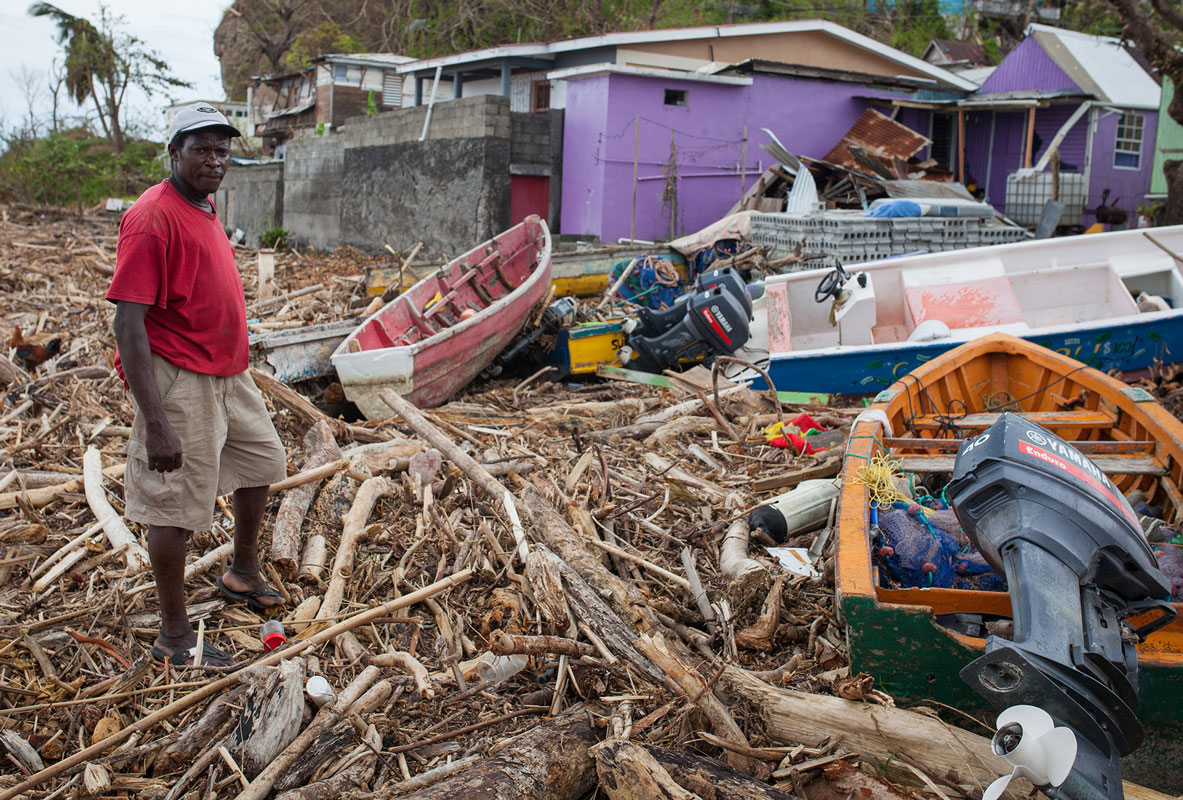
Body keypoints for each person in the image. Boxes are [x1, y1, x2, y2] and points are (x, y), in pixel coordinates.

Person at [108, 104, 288, 668]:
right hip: (179, 376)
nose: (214, 159)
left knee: (264, 461)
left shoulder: (203, 202)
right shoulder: (150, 217)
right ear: (175, 154)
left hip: (228, 371)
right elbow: (128, 324)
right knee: (174, 505)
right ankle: (175, 637)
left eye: (221, 149)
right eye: (201, 149)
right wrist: (156, 420)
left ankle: (242, 571)